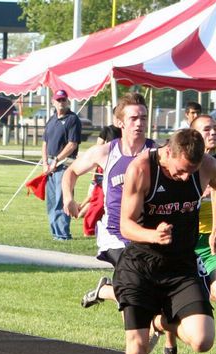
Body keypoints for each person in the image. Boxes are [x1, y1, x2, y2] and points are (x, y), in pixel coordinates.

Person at [115, 128, 216, 354]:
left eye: (191, 172)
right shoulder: (142, 168)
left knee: (203, 341)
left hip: (181, 267)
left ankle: (158, 321)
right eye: (180, 170)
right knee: (136, 349)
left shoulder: (206, 166)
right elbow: (125, 224)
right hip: (141, 266)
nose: (185, 177)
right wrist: (152, 235)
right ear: (168, 152)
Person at [145, 114, 216, 354]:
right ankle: (169, 345)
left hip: (213, 238)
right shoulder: (179, 165)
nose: (213, 133)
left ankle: (191, 312)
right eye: (206, 129)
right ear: (192, 136)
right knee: (176, 294)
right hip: (184, 239)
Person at [63, 92, 154, 305]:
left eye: (143, 118)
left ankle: (104, 290)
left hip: (144, 232)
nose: (139, 123)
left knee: (142, 288)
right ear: (120, 122)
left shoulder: (156, 153)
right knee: (134, 283)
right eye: (133, 118)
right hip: (113, 233)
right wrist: (68, 199)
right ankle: (111, 295)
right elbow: (71, 172)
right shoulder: (105, 152)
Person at [42, 89, 82, 241]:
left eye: (63, 100)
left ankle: (63, 234)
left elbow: (72, 144)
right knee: (51, 201)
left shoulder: (72, 119)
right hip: (50, 165)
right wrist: (45, 163)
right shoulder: (51, 119)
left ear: (67, 101)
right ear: (53, 102)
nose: (61, 102)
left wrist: (56, 160)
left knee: (62, 199)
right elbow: (45, 143)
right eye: (58, 100)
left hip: (64, 165)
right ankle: (55, 233)